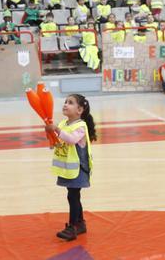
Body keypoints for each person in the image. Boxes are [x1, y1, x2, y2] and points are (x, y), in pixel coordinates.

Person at [45, 94, 97, 241]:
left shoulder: (81, 126)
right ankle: (80, 224)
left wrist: (56, 129)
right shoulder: (63, 124)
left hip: (78, 169)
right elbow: (56, 143)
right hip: (68, 170)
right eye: (65, 102)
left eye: (70, 103)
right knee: (73, 195)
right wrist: (50, 135)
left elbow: (71, 139)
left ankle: (72, 227)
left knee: (73, 196)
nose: (66, 104)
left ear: (79, 110)